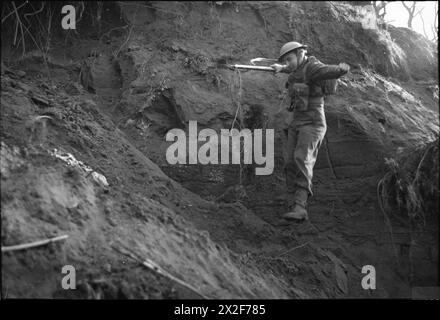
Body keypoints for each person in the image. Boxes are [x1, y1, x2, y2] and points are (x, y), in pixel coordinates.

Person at [271, 41, 350, 221]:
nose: (287, 63)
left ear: (300, 54)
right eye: (285, 60)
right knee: (289, 162)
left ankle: (300, 207)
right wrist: (280, 68)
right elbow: (292, 69)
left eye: (289, 59)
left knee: (301, 158)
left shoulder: (313, 67)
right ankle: (292, 204)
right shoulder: (298, 67)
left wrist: (340, 70)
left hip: (313, 122)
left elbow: (326, 71)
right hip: (296, 120)